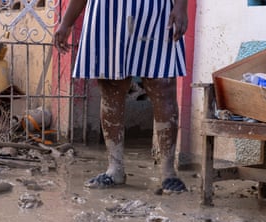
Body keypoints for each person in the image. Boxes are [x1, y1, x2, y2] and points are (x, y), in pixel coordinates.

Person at [54, 0, 188, 194]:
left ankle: (168, 172)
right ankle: (115, 169)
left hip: (156, 11)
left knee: (163, 84)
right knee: (111, 87)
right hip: (108, 12)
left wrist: (181, 6)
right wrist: (66, 22)